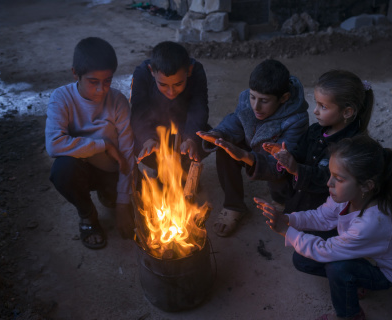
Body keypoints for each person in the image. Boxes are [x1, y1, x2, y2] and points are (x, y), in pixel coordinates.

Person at [255, 135, 392, 320]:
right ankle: (354, 282)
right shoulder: (347, 196)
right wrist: (287, 219)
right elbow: (321, 217)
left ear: (366, 186)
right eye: (331, 174)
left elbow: (325, 250)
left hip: (386, 272)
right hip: (364, 252)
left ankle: (349, 315)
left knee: (338, 267)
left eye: (338, 179)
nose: (329, 183)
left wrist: (285, 231)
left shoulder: (373, 223)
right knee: (302, 259)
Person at [197, 59, 309, 237]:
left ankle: (281, 202)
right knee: (224, 147)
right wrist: (219, 134)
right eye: (253, 97)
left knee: (283, 178)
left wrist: (245, 156)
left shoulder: (297, 119)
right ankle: (234, 205)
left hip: (278, 160)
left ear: (284, 98)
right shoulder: (247, 100)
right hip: (252, 148)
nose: (255, 106)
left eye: (264, 101)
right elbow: (236, 121)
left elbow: (281, 164)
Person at [45, 37, 135, 250]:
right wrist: (103, 145)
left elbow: (128, 154)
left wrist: (123, 205)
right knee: (62, 170)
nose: (101, 90)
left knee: (128, 193)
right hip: (81, 168)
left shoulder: (118, 102)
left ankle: (109, 193)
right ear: (75, 73)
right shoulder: (62, 98)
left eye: (107, 81)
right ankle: (88, 216)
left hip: (112, 169)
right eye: (93, 82)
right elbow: (54, 145)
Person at [263, 69, 374, 218]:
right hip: (302, 197)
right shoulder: (316, 130)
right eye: (316, 103)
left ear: (347, 112)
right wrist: (287, 155)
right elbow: (300, 152)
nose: (315, 111)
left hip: (325, 210)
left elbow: (328, 179)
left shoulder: (350, 146)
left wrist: (296, 169)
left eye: (323, 106)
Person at [130, 41, 210, 173]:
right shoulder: (142, 73)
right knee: (132, 141)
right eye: (163, 85)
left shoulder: (196, 70)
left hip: (184, 127)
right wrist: (148, 139)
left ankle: (184, 172)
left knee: (204, 140)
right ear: (152, 71)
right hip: (155, 129)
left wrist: (190, 139)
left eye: (178, 84)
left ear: (188, 71)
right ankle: (161, 170)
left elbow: (199, 108)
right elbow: (139, 112)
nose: (171, 92)